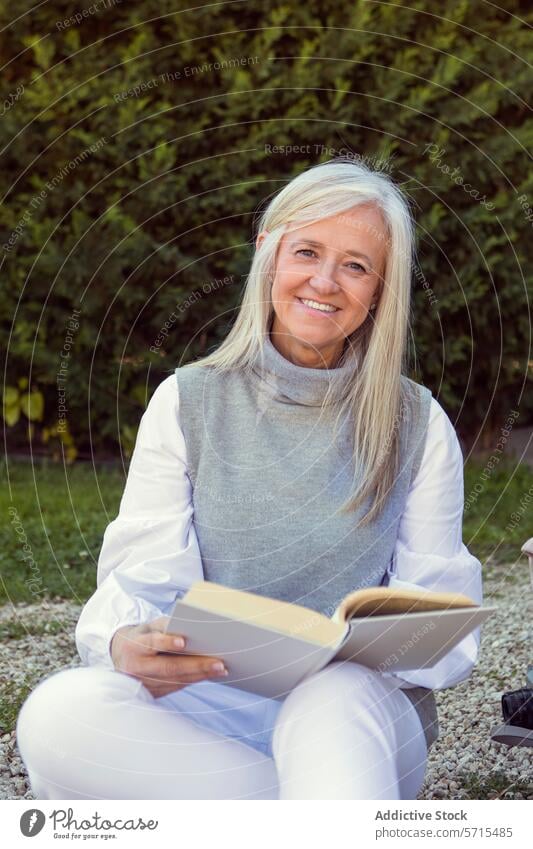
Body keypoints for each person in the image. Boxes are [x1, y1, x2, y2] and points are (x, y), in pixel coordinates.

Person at [16, 158, 483, 800]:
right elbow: (141, 584)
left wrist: (359, 650)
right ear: (268, 255)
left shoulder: (417, 423)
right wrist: (126, 638)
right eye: (307, 251)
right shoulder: (188, 401)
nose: (325, 280)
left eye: (355, 265)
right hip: (207, 709)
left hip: (354, 721)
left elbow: (442, 630)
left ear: (381, 289)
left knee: (333, 693)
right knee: (58, 714)